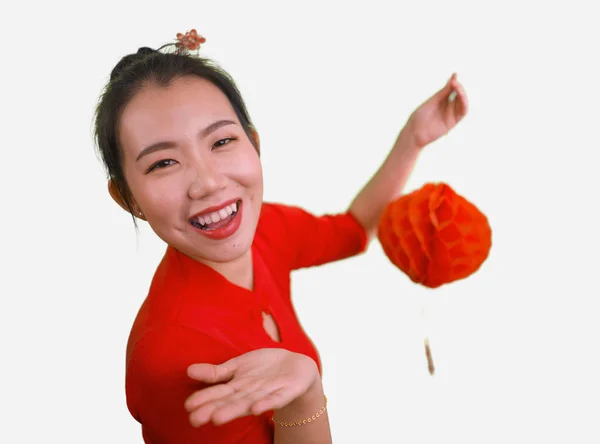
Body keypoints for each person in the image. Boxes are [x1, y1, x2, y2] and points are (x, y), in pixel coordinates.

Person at [93, 29, 468, 444]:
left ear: (253, 143)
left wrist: (413, 138)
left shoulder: (265, 228)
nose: (209, 183)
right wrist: (304, 399)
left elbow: (354, 230)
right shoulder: (168, 354)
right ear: (127, 198)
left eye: (221, 141)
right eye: (163, 162)